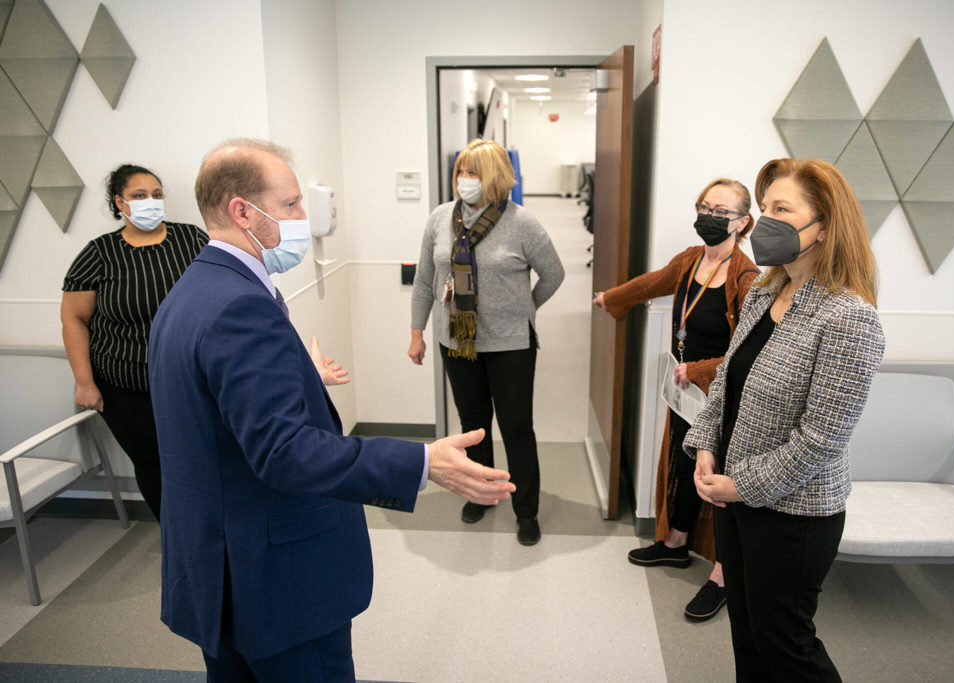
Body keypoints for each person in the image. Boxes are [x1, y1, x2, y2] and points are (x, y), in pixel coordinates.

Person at [148, 138, 515, 682]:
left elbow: (211, 407)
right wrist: (421, 462)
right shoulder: (240, 306)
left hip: (218, 570)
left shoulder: (191, 291)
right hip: (275, 579)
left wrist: (297, 375)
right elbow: (284, 452)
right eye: (291, 204)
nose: (304, 216)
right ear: (242, 212)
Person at [686, 158, 885, 681]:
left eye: (782, 209)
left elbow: (822, 438)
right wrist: (705, 446)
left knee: (787, 646)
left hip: (793, 513)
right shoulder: (764, 292)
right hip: (734, 501)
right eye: (765, 207)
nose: (765, 221)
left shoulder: (849, 317)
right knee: (747, 633)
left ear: (825, 226)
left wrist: (740, 486)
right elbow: (727, 381)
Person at [594, 178, 759, 622]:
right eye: (704, 207)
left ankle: (723, 576)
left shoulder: (747, 278)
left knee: (718, 483)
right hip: (686, 396)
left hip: (723, 400)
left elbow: (749, 351)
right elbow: (653, 283)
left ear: (743, 222)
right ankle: (676, 544)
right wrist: (612, 298)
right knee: (683, 468)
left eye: (721, 212)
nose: (709, 217)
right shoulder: (690, 260)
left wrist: (701, 370)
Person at [408, 139, 564, 546]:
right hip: (456, 341)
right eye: (461, 171)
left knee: (517, 429)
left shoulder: (521, 222)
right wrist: (416, 333)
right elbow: (424, 280)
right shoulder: (440, 218)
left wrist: (525, 309)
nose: (465, 179)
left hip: (510, 344)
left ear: (493, 176)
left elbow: (553, 274)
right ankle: (480, 495)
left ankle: (526, 511)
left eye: (473, 172)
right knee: (473, 427)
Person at [60, 164, 208, 520]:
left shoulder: (191, 239)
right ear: (119, 202)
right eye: (139, 196)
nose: (150, 202)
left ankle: (208, 529)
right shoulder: (99, 254)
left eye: (156, 195)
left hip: (190, 379)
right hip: (126, 386)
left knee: (200, 457)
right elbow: (74, 319)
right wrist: (84, 382)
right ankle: (173, 532)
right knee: (153, 463)